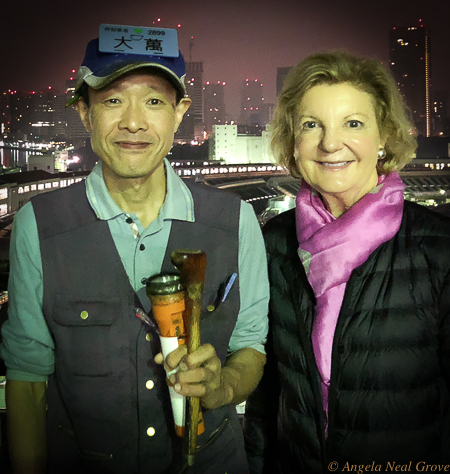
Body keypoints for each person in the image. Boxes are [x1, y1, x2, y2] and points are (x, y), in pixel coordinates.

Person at [0, 27, 269, 474]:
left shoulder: (235, 220)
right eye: (111, 100)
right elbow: (27, 378)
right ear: (84, 113)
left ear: (180, 113)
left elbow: (250, 346)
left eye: (154, 101)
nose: (133, 122)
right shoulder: (40, 226)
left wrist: (222, 387)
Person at [244, 51, 450, 473]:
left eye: (353, 123)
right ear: (293, 143)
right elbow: (266, 399)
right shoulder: (271, 246)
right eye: (311, 125)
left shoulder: (438, 250)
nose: (330, 143)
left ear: (384, 138)